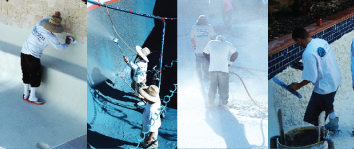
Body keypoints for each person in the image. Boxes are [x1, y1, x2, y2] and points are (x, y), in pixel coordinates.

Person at [289, 27, 341, 132]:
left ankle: (320, 134)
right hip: (335, 79)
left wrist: (297, 85)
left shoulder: (308, 53)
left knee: (313, 116)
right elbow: (321, 62)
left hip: (324, 86)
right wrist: (305, 66)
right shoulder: (321, 41)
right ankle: (333, 124)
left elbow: (310, 77)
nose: (298, 44)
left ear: (299, 40)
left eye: (296, 42)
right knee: (327, 104)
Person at [21, 11, 74, 105]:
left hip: (23, 52)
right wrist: (67, 43)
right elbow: (60, 47)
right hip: (33, 57)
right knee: (35, 75)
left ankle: (25, 94)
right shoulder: (51, 37)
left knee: (25, 72)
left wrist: (55, 16)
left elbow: (48, 19)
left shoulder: (39, 24)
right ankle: (32, 97)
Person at [203, 35, 238, 109]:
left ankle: (211, 103)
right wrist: (230, 61)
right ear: (223, 39)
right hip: (224, 70)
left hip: (212, 69)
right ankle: (224, 104)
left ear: (217, 39)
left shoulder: (211, 43)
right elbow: (235, 53)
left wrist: (210, 60)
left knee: (212, 87)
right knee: (224, 87)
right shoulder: (228, 43)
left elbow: (205, 53)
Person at [190, 15, 216, 81]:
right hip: (207, 51)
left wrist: (195, 45)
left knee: (198, 66)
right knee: (207, 65)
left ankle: (199, 79)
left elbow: (192, 38)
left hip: (198, 50)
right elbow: (212, 38)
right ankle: (206, 78)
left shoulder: (195, 27)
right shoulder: (209, 26)